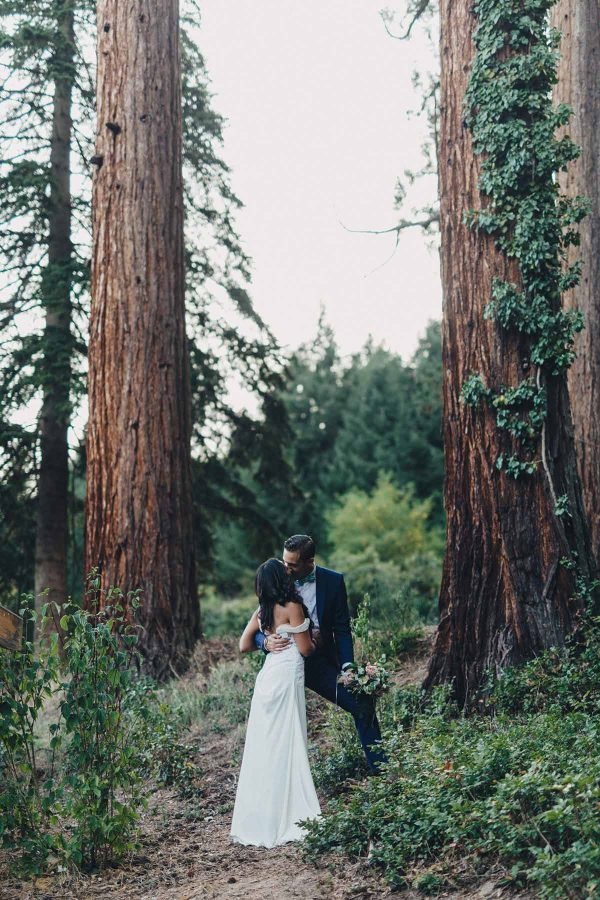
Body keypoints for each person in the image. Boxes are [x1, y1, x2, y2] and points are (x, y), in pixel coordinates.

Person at [255, 534, 385, 773]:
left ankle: (381, 770)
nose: (286, 569)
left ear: (309, 561)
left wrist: (348, 667)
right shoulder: (278, 578)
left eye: (292, 564)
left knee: (361, 703)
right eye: (284, 562)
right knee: (277, 724)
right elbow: (256, 624)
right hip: (284, 663)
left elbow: (342, 628)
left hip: (318, 663)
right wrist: (264, 642)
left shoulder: (333, 581)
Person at [230, 558, 321, 847]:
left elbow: (243, 645)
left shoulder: (262, 611)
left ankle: (262, 812)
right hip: (286, 678)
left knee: (266, 744)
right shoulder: (293, 607)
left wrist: (266, 642)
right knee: (288, 739)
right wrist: (318, 639)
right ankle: (289, 808)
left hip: (267, 679)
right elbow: (305, 650)